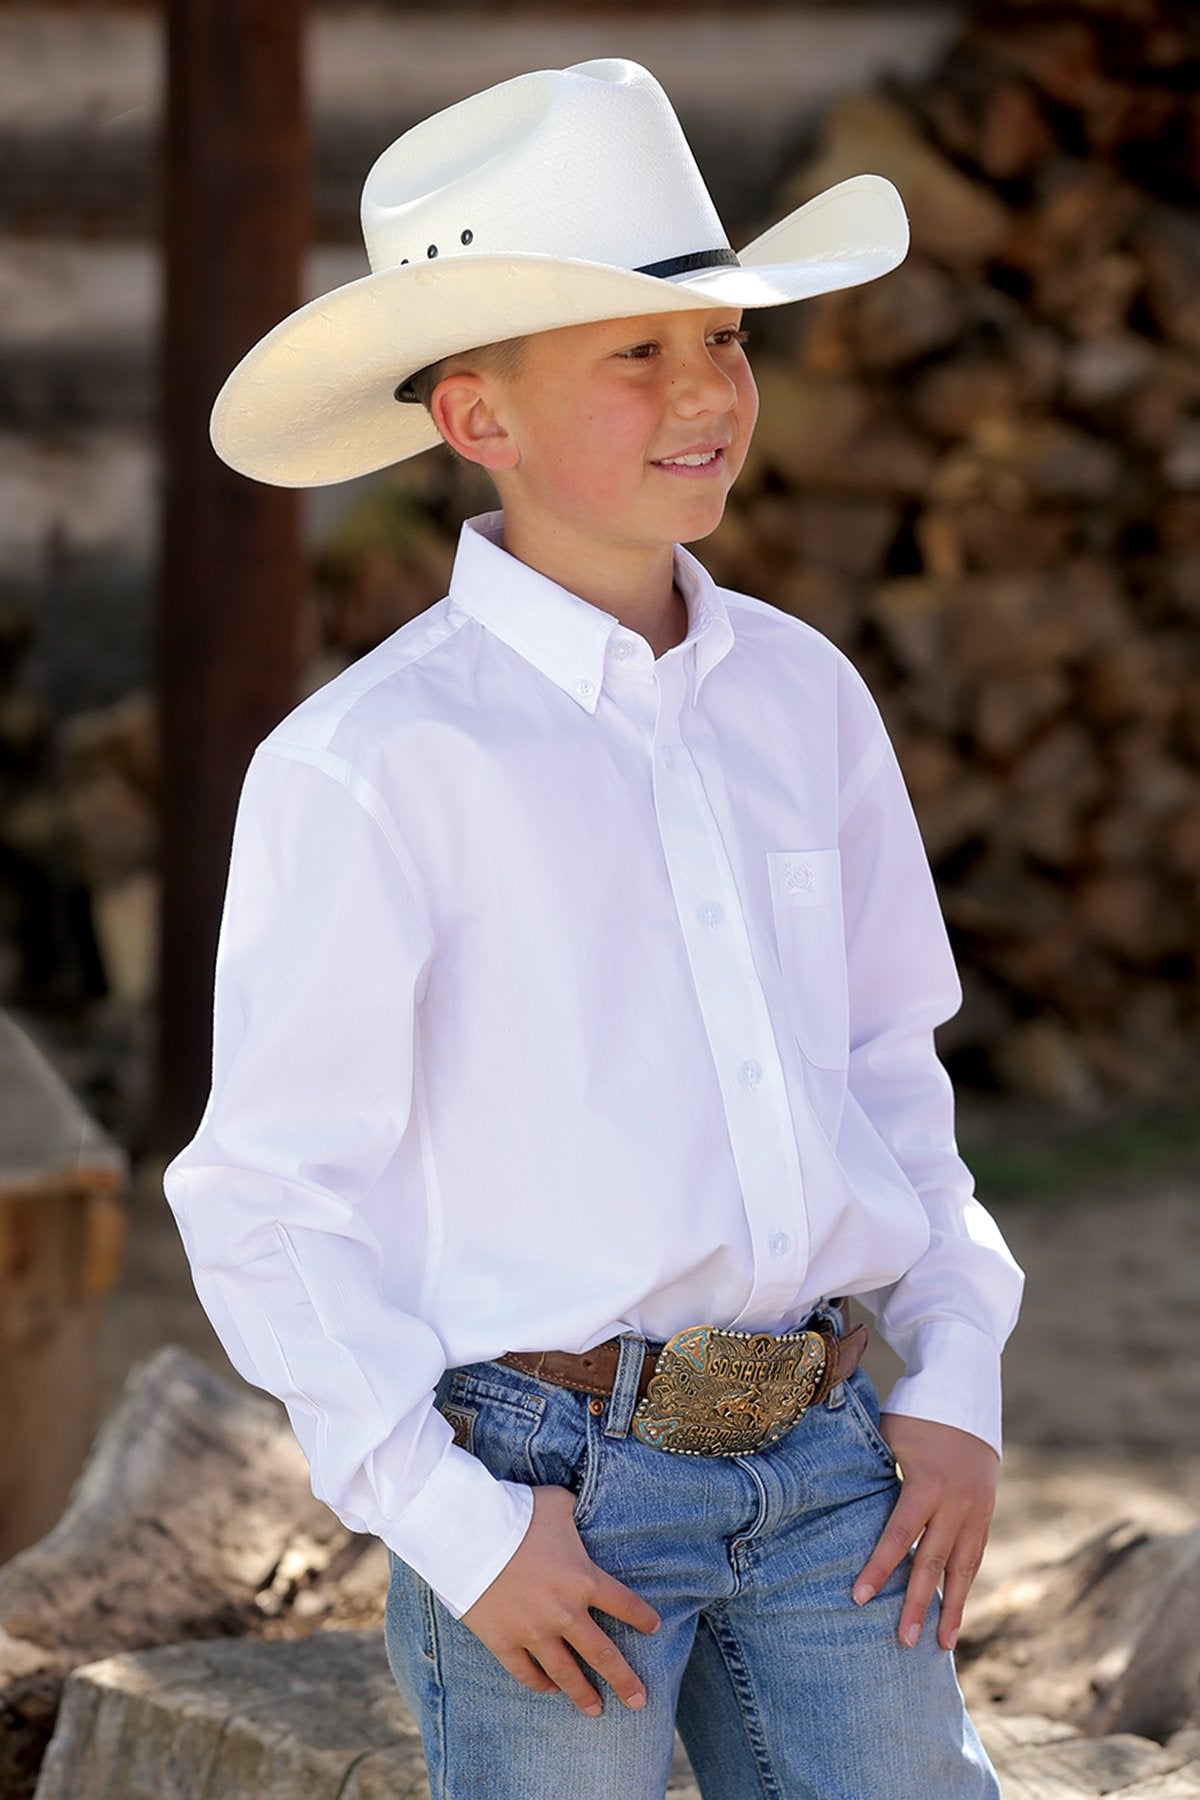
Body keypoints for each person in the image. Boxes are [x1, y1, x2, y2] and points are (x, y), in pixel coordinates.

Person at [165, 57, 1024, 1799]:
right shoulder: (367, 765)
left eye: (723, 339)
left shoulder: (805, 698)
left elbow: (884, 1069)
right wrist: (459, 1534)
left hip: (838, 1455)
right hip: (548, 1483)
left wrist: (958, 1377)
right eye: (637, 351)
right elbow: (262, 1200)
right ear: (476, 420)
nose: (707, 387)